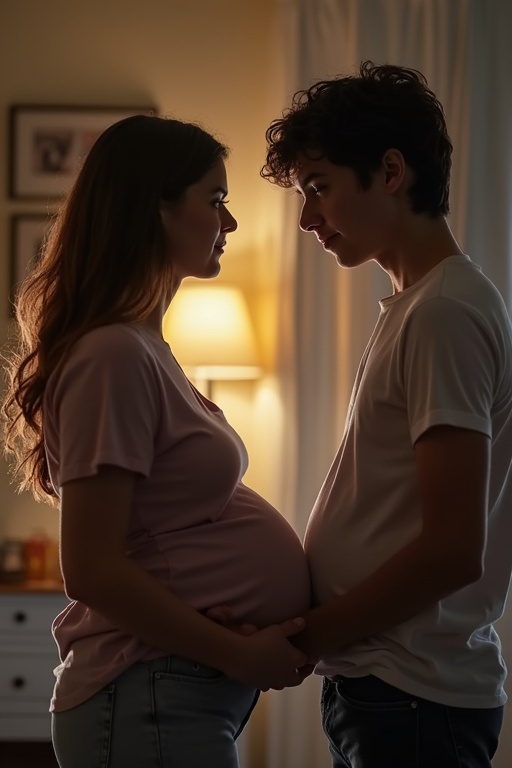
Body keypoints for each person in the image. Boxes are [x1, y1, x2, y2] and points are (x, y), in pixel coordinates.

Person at [1, 114, 312, 768]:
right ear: (155, 209)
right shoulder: (113, 353)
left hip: (165, 693)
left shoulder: (143, 347)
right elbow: (91, 567)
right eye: (215, 201)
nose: (228, 225)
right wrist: (238, 652)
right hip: (143, 694)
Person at [261, 61, 512, 767]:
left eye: (319, 188)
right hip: (390, 690)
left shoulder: (445, 312)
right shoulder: (419, 305)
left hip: (413, 697)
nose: (308, 218)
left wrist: (308, 635)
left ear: (392, 171)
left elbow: (451, 549)